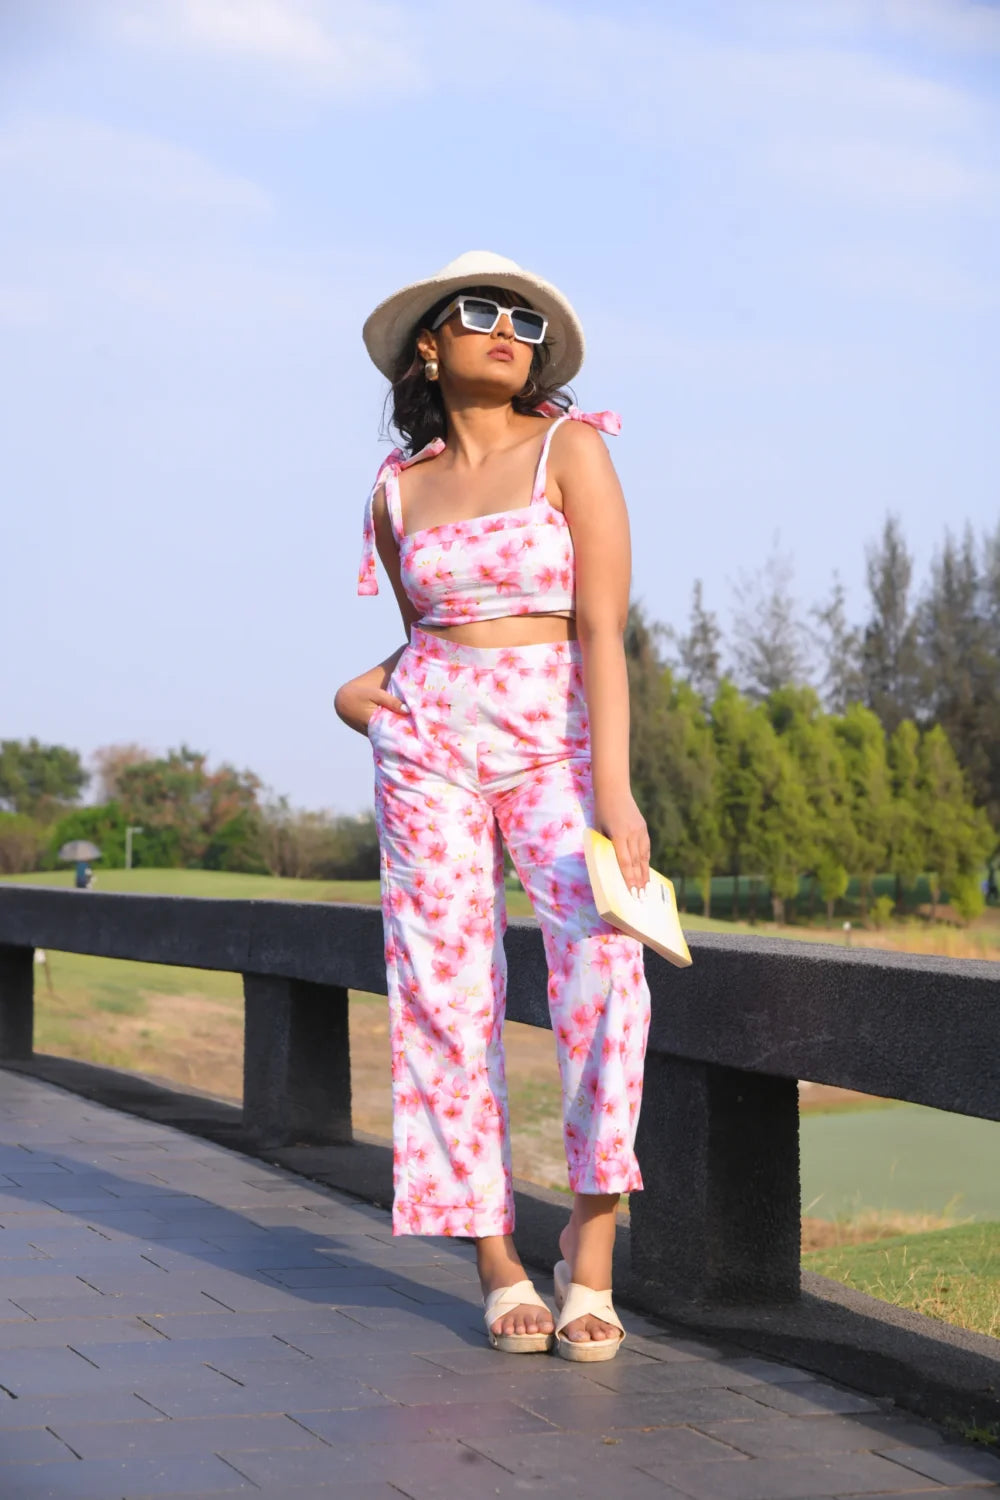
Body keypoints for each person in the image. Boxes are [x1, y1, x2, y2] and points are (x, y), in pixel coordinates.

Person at [335, 251, 652, 1363]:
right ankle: (494, 1257)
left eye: (523, 317)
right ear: (431, 343)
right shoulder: (395, 488)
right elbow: (427, 637)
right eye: (480, 312)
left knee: (605, 978)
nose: (507, 328)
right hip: (428, 751)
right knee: (440, 993)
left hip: (557, 746)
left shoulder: (571, 448)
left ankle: (592, 1250)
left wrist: (613, 788)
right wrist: (361, 697)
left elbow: (598, 629)